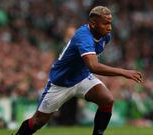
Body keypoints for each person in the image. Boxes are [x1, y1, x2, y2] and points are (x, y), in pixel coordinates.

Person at [15, 6, 143, 135]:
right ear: (93, 24)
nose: (109, 27)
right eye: (105, 23)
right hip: (61, 82)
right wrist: (123, 72)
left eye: (110, 23)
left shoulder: (105, 36)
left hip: (82, 77)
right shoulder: (83, 37)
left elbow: (89, 63)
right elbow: (94, 66)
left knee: (107, 100)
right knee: (38, 121)